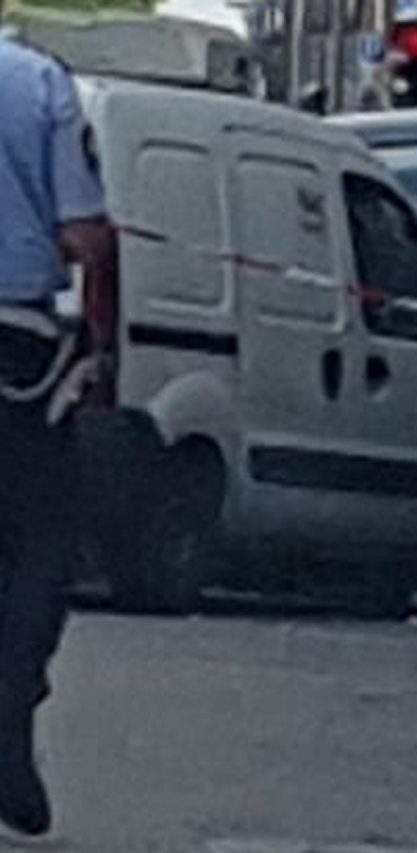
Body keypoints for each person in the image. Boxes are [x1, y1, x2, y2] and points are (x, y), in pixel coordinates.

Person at [0, 12, 117, 839]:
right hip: (16, 350)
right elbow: (82, 233)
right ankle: (7, 711)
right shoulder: (38, 82)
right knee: (40, 538)